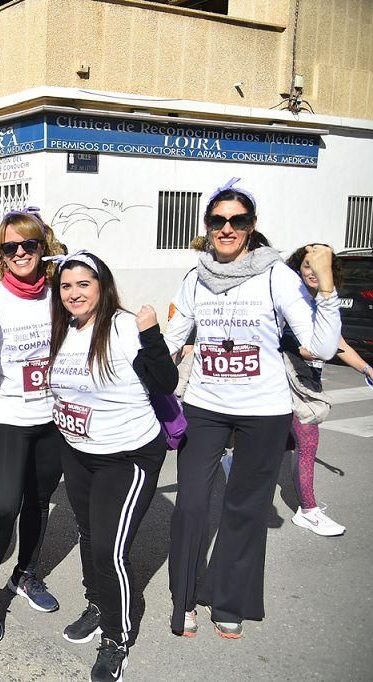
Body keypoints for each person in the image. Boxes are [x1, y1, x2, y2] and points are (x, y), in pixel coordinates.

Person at [164, 179, 341, 640]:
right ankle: (183, 600)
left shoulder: (275, 275)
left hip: (263, 409)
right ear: (207, 226)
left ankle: (228, 602)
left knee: (245, 508)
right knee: (191, 505)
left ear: (251, 226)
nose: (227, 228)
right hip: (204, 404)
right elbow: (172, 339)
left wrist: (327, 290)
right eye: (218, 220)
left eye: (237, 220)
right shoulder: (195, 277)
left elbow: (318, 346)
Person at [47, 250, 176, 682]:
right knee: (88, 536)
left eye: (84, 284)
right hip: (79, 453)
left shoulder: (122, 327)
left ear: (102, 286)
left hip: (128, 456)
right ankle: (99, 604)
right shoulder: (64, 329)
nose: (74, 293)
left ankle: (116, 638)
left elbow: (164, 382)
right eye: (66, 286)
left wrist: (152, 334)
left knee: (109, 549)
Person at [0, 208, 65, 642]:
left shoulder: (59, 293)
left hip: (54, 419)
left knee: (39, 502)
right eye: (11, 247)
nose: (21, 252)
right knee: (4, 506)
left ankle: (25, 574)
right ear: (1, 254)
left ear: (43, 248)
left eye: (29, 244)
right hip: (11, 417)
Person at [283, 244, 367, 536]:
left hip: (307, 382)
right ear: (297, 270)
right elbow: (310, 349)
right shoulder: (293, 300)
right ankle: (308, 510)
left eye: (320, 266)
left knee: (299, 444)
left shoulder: (320, 301)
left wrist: (367, 370)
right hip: (290, 384)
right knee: (304, 443)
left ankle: (307, 509)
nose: (314, 271)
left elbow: (339, 344)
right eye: (307, 265)